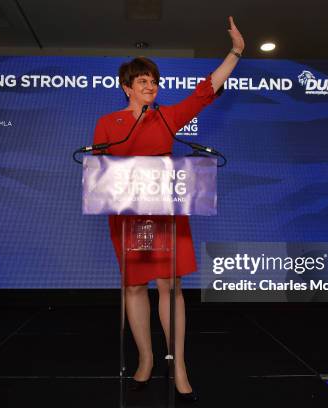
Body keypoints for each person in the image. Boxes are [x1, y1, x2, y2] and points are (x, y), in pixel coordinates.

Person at [92, 16, 245, 402]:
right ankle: (145, 359)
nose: (150, 85)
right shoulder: (108, 123)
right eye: (142, 80)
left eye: (153, 81)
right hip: (129, 217)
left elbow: (206, 91)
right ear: (126, 87)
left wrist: (236, 52)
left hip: (166, 212)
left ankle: (177, 363)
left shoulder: (167, 116)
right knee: (135, 286)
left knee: (170, 286)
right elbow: (99, 171)